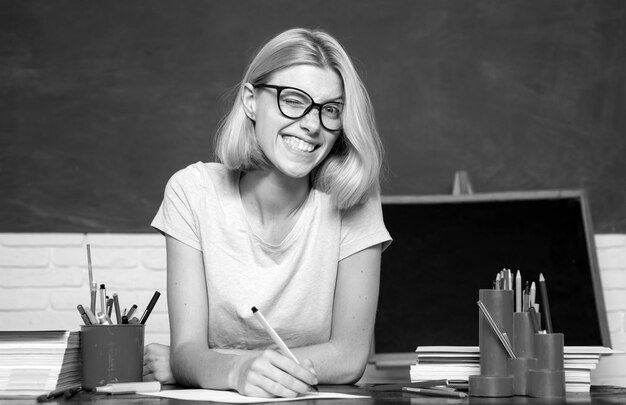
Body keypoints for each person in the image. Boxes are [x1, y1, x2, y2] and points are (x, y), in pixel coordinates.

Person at [144, 27, 391, 398]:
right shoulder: (192, 193)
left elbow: (348, 358)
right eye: (293, 100)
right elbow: (187, 351)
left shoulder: (355, 198)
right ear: (250, 101)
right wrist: (210, 364)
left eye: (331, 110)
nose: (312, 124)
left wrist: (223, 364)